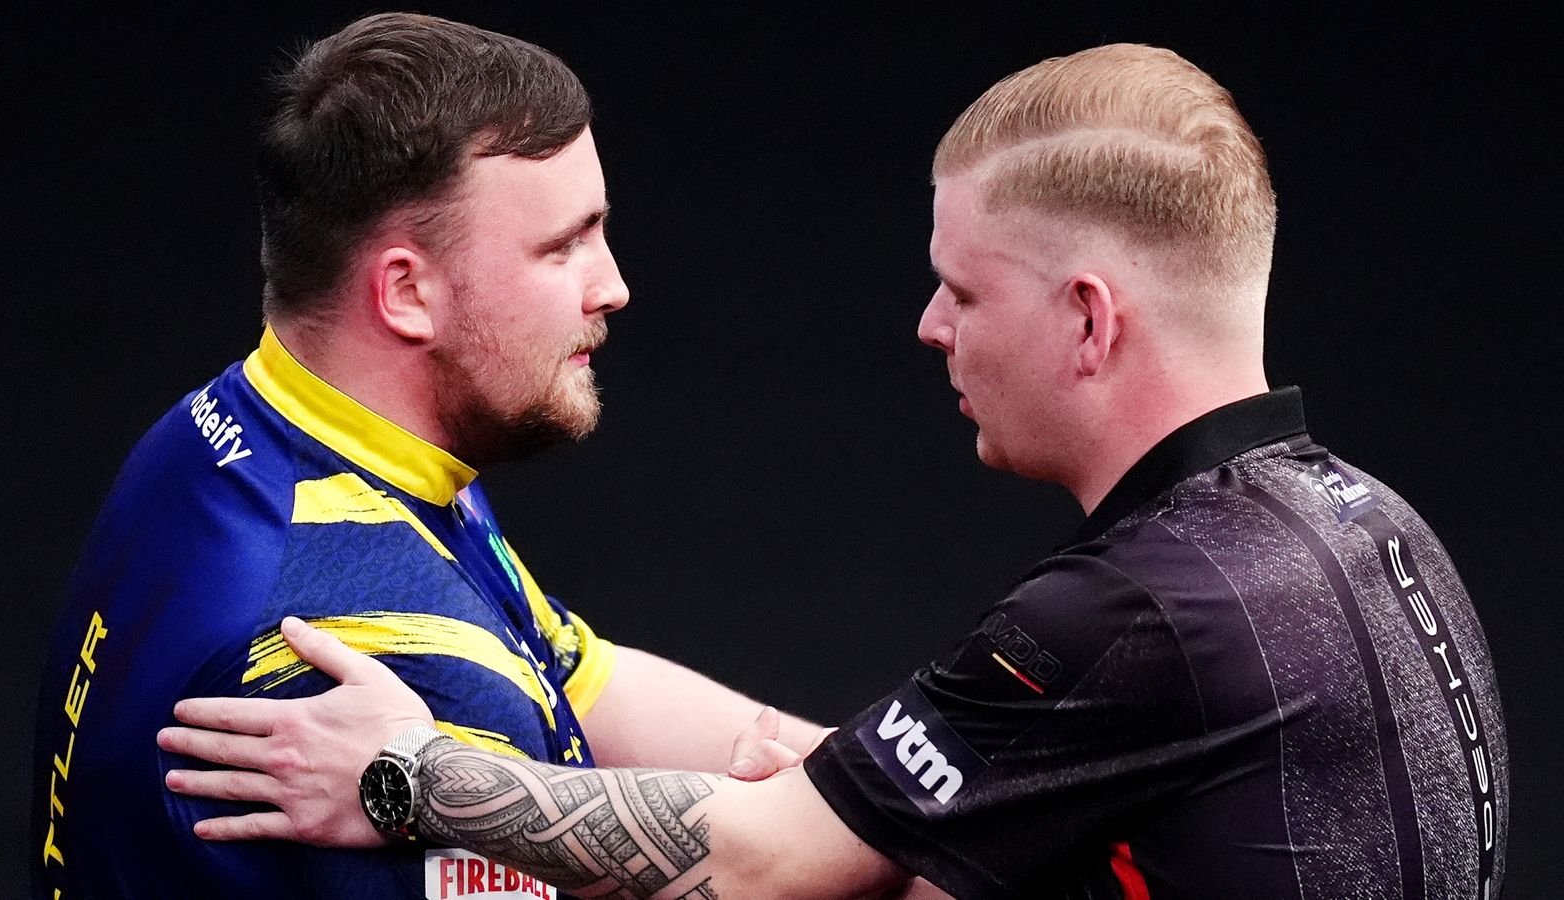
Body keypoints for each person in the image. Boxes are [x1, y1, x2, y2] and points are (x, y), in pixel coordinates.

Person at [159, 41, 1512, 899]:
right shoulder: (1374, 530)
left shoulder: (1132, 614)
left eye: (962, 293)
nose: (928, 329)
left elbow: (766, 865)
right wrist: (820, 779)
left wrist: (409, 776)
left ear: (1090, 319)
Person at [31, 13, 827, 899]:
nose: (613, 285)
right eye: (561, 246)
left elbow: (567, 666)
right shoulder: (401, 679)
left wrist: (849, 787)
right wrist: (780, 839)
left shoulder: (237, 432)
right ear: (408, 291)